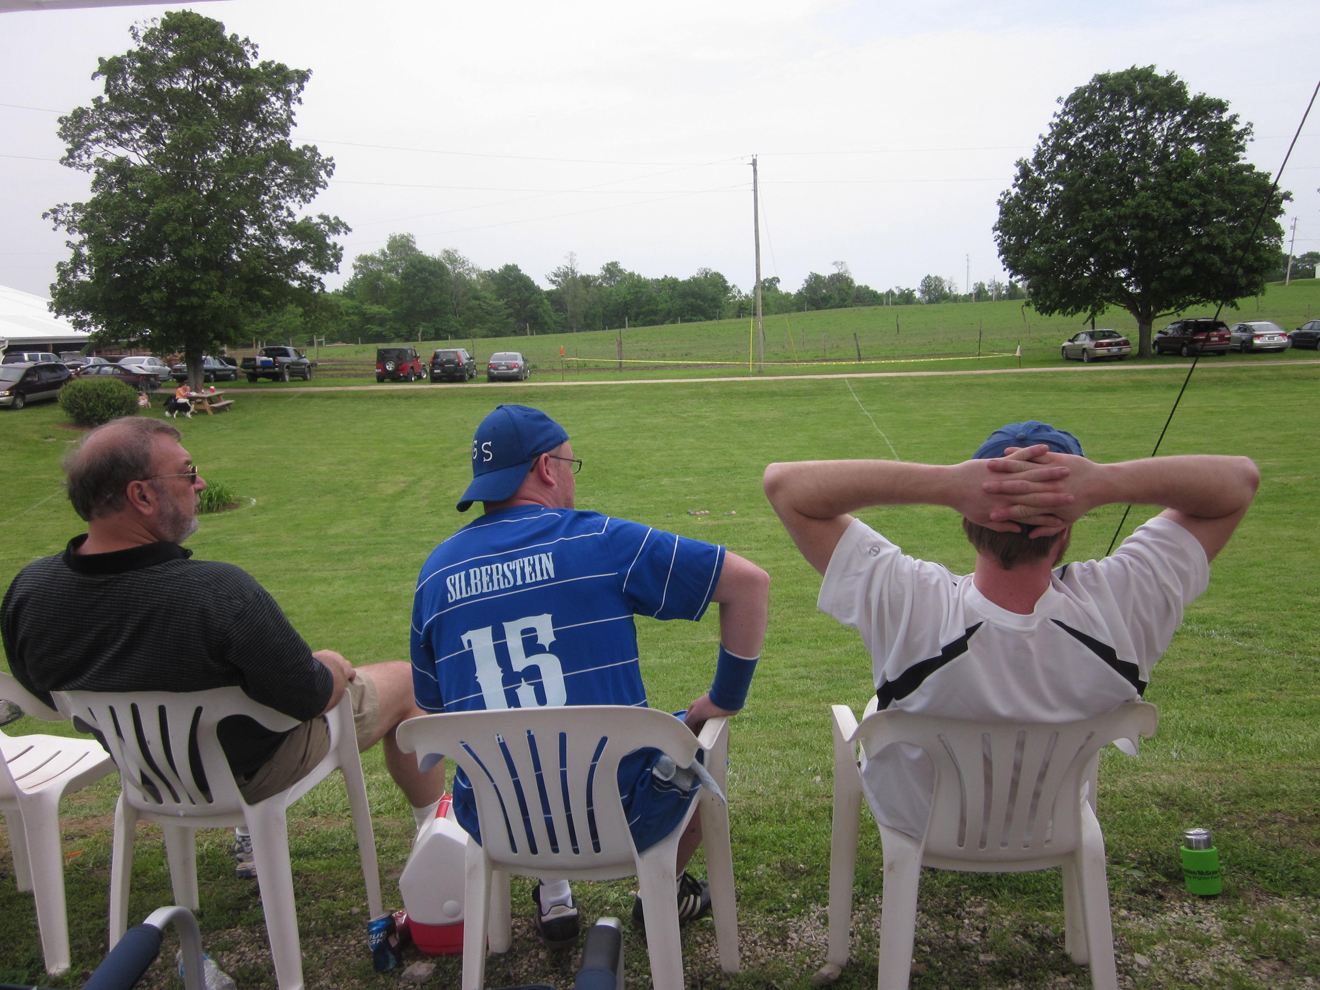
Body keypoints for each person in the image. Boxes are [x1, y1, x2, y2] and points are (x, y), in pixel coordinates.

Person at [762, 420, 1259, 837]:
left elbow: (785, 485)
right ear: (1066, 528)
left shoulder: (908, 600)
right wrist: (1105, 482)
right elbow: (1240, 480)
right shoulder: (1124, 601)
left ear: (970, 519)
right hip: (1052, 826)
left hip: (919, 823)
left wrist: (946, 484)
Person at [1, 417, 444, 879]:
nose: (201, 484)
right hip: (251, 772)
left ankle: (254, 831)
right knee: (408, 682)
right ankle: (435, 834)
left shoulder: (30, 592)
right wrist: (331, 666)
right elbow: (309, 696)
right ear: (142, 496)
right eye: (188, 472)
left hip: (144, 771)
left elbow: (41, 692)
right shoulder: (216, 594)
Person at [411, 404, 769, 944]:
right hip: (622, 816)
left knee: (523, 748)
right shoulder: (601, 541)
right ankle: (661, 894)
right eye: (570, 465)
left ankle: (553, 892)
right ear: (546, 468)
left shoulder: (435, 574)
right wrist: (724, 699)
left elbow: (435, 712)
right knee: (695, 745)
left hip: (497, 819)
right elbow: (750, 585)